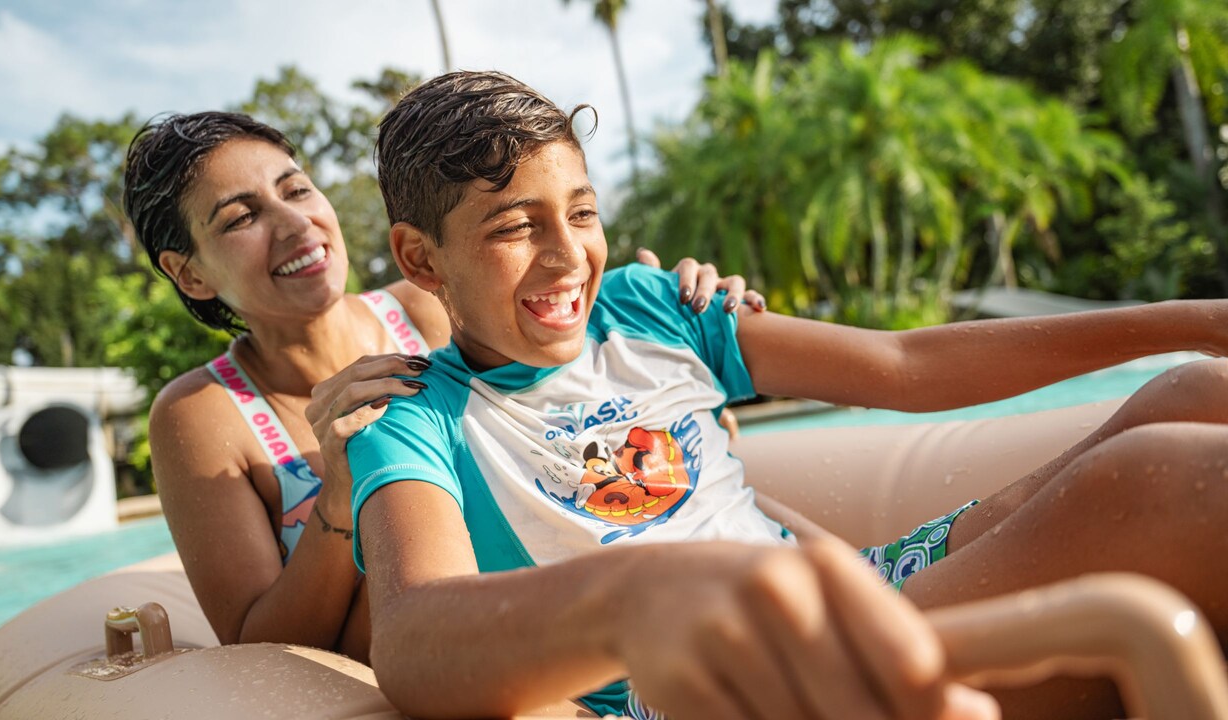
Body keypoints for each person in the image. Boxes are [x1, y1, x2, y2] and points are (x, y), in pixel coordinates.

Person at [347, 69, 1228, 720]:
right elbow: (415, 638)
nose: (567, 254)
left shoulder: (655, 308)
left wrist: (1176, 323)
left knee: (1195, 392)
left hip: (860, 589)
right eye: (513, 227)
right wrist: (632, 599)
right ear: (422, 258)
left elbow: (904, 367)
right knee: (1157, 484)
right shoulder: (417, 416)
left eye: (580, 212)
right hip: (705, 686)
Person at [121, 111, 755, 664]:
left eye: (297, 190)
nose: (295, 225)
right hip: (433, 667)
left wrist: (678, 319)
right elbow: (256, 647)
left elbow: (579, 343)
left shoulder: (429, 306)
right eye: (242, 218)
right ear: (191, 274)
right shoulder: (202, 414)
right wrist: (340, 498)